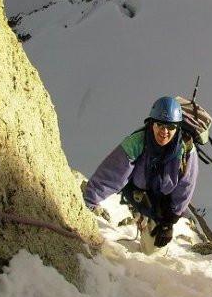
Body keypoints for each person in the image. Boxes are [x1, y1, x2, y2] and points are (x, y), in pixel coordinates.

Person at [83, 96, 199, 253]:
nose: (164, 131)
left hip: (163, 204)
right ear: (151, 123)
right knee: (149, 234)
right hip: (139, 194)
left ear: (177, 127)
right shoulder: (137, 142)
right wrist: (86, 203)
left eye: (170, 126)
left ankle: (150, 231)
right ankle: (142, 219)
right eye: (160, 124)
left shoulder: (185, 150)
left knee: (152, 250)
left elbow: (186, 187)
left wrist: (169, 222)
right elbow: (110, 175)